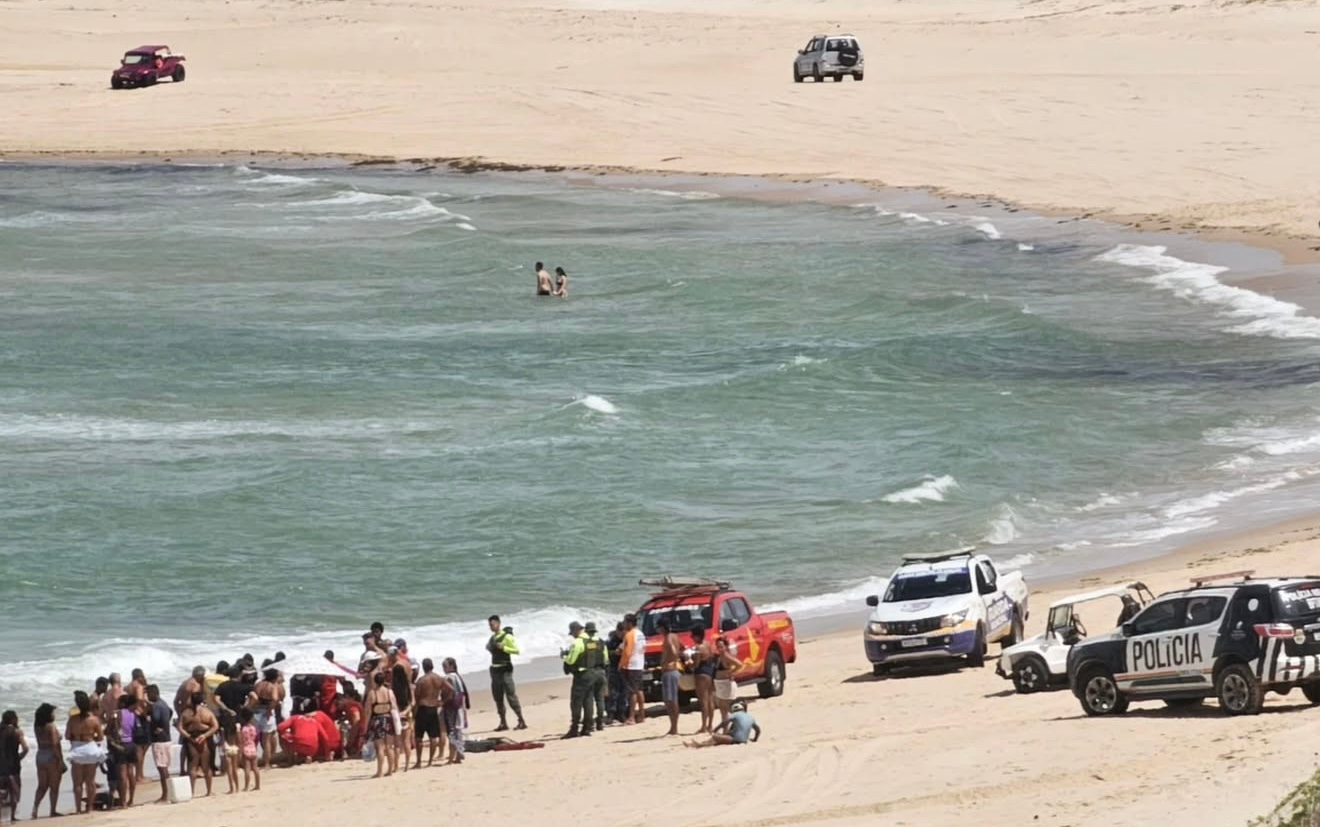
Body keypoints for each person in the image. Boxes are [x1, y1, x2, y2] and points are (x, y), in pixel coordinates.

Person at [65, 691, 105, 815]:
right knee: (90, 781)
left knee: (77, 782)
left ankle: (78, 809)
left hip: (77, 749)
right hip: (91, 749)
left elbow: (67, 736)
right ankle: (90, 808)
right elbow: (100, 737)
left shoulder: (73, 719)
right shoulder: (94, 719)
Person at [486, 615, 526, 731]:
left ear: (498, 623)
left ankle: (521, 720)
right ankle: (503, 722)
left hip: (505, 670)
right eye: (490, 625)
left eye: (492, 624)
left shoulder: (507, 637)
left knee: (511, 696)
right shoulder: (492, 638)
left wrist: (504, 648)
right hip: (495, 669)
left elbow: (517, 650)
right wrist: (490, 648)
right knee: (498, 698)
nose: (491, 627)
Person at [179, 692, 217, 798]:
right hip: (205, 739)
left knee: (192, 767)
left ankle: (191, 792)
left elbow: (180, 727)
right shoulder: (207, 712)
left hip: (192, 739)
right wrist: (205, 735)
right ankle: (209, 791)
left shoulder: (186, 713)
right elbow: (215, 726)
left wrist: (188, 737)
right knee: (206, 767)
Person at [30, 703, 63, 819]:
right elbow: (54, 744)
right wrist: (60, 760)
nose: (54, 714)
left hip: (40, 755)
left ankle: (35, 809)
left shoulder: (37, 726)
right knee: (54, 786)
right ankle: (52, 810)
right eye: (53, 712)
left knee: (42, 785)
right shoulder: (51, 726)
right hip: (51, 756)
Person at [365, 671, 399, 778]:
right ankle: (390, 770)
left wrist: (366, 725)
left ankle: (379, 772)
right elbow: (394, 707)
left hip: (377, 720)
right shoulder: (390, 692)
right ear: (384, 681)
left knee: (380, 747)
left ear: (375, 681)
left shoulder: (372, 693)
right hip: (388, 719)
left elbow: (368, 711)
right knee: (389, 746)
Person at [684, 701, 760, 748]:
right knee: (723, 736)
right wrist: (755, 739)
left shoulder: (735, 714)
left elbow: (725, 722)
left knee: (715, 736)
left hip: (736, 740)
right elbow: (758, 730)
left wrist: (716, 729)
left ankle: (699, 745)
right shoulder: (750, 717)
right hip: (744, 740)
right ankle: (701, 744)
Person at [413, 659, 446, 768]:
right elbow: (451, 689)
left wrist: (414, 712)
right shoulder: (439, 678)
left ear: (423, 667)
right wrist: (443, 701)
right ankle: (430, 761)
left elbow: (416, 698)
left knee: (419, 737)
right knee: (433, 737)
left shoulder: (421, 680)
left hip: (423, 708)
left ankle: (418, 762)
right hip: (433, 709)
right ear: (432, 666)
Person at [173, 666, 206, 777]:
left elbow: (176, 701)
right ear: (199, 675)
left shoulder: (184, 683)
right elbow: (195, 702)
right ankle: (196, 768)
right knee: (196, 742)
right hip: (192, 715)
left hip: (184, 714)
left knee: (185, 743)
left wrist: (179, 714)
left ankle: (183, 769)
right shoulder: (194, 685)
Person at [109, 694, 140, 807]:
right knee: (130, 772)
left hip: (120, 745)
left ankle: (123, 801)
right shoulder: (133, 714)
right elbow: (135, 730)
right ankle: (131, 799)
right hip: (131, 744)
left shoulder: (117, 713)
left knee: (122, 774)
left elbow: (109, 729)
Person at [145, 684, 174, 804]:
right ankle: (168, 793)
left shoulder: (156, 706)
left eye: (148, 694)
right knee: (165, 767)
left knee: (162, 768)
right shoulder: (164, 704)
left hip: (159, 741)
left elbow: (155, 718)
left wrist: (148, 718)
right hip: (167, 739)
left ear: (153, 693)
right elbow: (171, 712)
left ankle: (165, 795)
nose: (147, 696)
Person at [387, 645, 414, 772]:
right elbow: (409, 683)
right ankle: (407, 765)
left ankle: (396, 766)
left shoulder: (397, 668)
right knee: (407, 739)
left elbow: (398, 687)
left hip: (400, 704)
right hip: (408, 701)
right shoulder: (407, 663)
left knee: (398, 739)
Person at [561, 621, 588, 738]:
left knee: (576, 703)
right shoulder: (592, 640)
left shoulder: (577, 642)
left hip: (581, 675)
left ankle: (574, 728)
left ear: (576, 630)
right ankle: (587, 727)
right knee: (588, 701)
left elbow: (571, 661)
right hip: (592, 673)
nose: (572, 635)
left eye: (572, 632)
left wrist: (564, 656)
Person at [0, 711, 27, 823]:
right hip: (13, 767)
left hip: (1, 767)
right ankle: (12, 817)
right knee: (14, 792)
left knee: (1, 793)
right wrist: (18, 758)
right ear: (13, 719)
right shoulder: (17, 732)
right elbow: (25, 748)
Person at [249, 668, 279, 770]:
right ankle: (266, 764)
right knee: (266, 740)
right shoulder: (272, 686)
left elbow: (253, 697)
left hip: (256, 712)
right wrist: (270, 709)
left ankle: (253, 763)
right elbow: (275, 699)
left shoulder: (258, 684)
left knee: (253, 739)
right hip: (266, 714)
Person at [620, 613, 647, 725]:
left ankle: (632, 717)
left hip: (631, 665)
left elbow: (627, 652)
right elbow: (643, 649)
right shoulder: (641, 633)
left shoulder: (630, 634)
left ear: (630, 623)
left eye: (625, 622)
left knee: (632, 692)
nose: (624, 624)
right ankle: (642, 714)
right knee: (639, 690)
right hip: (639, 664)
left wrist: (621, 664)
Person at [581, 622, 608, 733]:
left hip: (590, 672)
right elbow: (606, 659)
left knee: (589, 699)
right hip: (601, 671)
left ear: (586, 631)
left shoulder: (586, 643)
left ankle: (590, 724)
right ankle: (600, 723)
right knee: (600, 699)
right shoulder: (601, 642)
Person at [658, 618, 683, 736]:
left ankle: (674, 727)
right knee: (672, 699)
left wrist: (670, 660)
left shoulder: (668, 638)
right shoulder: (675, 636)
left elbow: (673, 652)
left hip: (669, 670)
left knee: (670, 700)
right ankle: (674, 727)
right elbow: (682, 648)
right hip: (674, 670)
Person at [441, 658, 468, 764]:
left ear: (451, 666)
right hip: (459, 706)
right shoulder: (458, 677)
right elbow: (463, 694)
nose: (443, 669)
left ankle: (452, 757)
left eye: (445, 666)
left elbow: (448, 693)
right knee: (458, 731)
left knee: (451, 731)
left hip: (451, 707)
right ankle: (459, 754)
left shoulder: (448, 678)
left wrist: (442, 702)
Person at [691, 626, 717, 734]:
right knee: (710, 699)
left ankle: (703, 726)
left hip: (701, 673)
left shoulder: (698, 648)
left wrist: (689, 662)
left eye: (693, 636)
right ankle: (710, 725)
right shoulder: (707, 644)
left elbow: (696, 665)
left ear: (697, 636)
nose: (692, 638)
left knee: (703, 701)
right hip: (709, 671)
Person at [713, 635, 743, 726]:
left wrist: (731, 672)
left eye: (721, 647)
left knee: (728, 708)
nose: (719, 648)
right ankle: (726, 729)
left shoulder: (726, 656)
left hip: (726, 684)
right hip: (720, 684)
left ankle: (738, 724)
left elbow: (739, 664)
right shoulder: (719, 657)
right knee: (722, 709)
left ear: (725, 646)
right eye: (718, 647)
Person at [238, 708, 260, 791]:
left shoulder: (243, 729)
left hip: (246, 748)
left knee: (247, 769)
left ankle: (246, 786)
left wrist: (240, 752)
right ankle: (257, 785)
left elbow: (240, 741)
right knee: (255, 768)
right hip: (253, 747)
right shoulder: (253, 728)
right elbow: (256, 738)